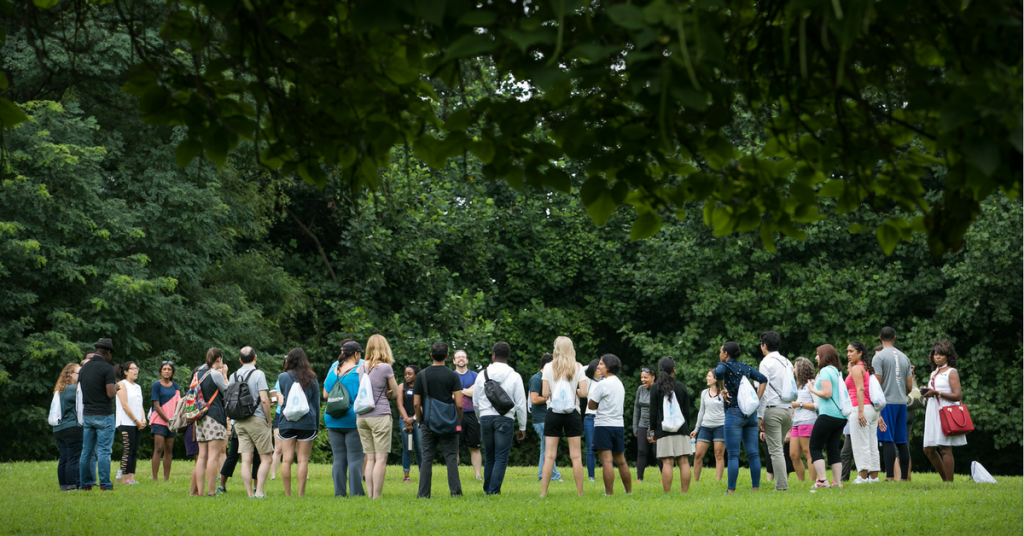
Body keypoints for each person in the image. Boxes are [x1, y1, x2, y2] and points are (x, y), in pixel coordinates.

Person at [473, 341, 528, 495]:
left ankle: (487, 489)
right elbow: (521, 404)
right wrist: (522, 427)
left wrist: (480, 418)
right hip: (505, 418)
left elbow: (475, 402)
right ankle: (493, 491)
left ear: (493, 355)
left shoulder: (481, 375)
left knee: (489, 456)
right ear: (508, 356)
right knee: (501, 457)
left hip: (485, 417)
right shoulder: (515, 376)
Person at [715, 342, 768, 494]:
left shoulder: (723, 366)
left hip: (734, 413)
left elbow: (718, 372)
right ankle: (755, 488)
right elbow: (763, 379)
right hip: (750, 414)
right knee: (753, 453)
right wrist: (756, 400)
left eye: (721, 352)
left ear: (726, 354)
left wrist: (722, 388)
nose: (720, 354)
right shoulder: (745, 367)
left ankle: (731, 490)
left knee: (733, 454)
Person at [540, 336, 589, 497]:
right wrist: (574, 391)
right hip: (572, 412)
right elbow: (584, 393)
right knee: (576, 456)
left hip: (553, 413)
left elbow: (544, 394)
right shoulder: (578, 367)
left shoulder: (548, 367)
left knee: (549, 455)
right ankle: (580, 493)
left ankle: (543, 493)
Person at [414, 341, 464, 498]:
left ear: (431, 355)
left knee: (427, 458)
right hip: (449, 422)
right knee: (451, 458)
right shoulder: (453, 376)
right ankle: (455, 493)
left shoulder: (421, 375)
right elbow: (459, 404)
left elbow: (416, 403)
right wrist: (458, 421)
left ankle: (423, 494)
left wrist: (421, 421)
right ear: (448, 356)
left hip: (428, 422)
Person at [357, 334, 400, 499]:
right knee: (381, 458)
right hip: (380, 414)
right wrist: (389, 393)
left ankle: (369, 495)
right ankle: (377, 496)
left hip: (362, 416)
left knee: (370, 457)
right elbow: (395, 393)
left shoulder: (361, 367)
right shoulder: (385, 368)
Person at [228, 346, 274, 498]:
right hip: (257, 419)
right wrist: (268, 420)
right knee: (266, 458)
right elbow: (264, 399)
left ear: (240, 360)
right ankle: (259, 492)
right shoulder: (259, 373)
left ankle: (249, 494)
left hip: (239, 421)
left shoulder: (233, 375)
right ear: (256, 358)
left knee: (246, 459)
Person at [324, 340, 366, 497]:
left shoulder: (334, 370)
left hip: (332, 419)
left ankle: (339, 494)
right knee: (355, 459)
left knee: (339, 458)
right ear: (356, 354)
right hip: (352, 419)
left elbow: (325, 394)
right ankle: (356, 493)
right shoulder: (359, 372)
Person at [276, 348, 319, 497]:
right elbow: (316, 403)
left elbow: (284, 398)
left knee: (286, 459)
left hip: (287, 421)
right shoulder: (312, 378)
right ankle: (301, 494)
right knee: (303, 460)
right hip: (307, 423)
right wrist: (316, 425)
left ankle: (288, 494)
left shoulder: (283, 377)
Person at [587, 354, 631, 495]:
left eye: (601, 364)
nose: (598, 367)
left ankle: (609, 494)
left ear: (608, 366)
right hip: (618, 425)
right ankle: (628, 492)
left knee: (607, 461)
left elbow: (591, 405)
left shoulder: (602, 384)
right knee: (621, 461)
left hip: (603, 425)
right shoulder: (619, 383)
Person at [922, 339, 966, 482]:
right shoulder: (934, 373)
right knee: (928, 449)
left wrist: (936, 393)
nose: (938, 357)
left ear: (948, 356)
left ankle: (949, 483)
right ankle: (945, 480)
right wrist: (927, 393)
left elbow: (958, 395)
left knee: (945, 448)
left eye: (941, 354)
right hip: (933, 410)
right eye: (935, 354)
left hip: (946, 411)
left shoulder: (951, 372)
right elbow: (933, 392)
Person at [873, 326, 913, 481]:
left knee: (887, 438)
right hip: (902, 403)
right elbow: (909, 386)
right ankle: (904, 477)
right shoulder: (905, 357)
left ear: (880, 339)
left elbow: (877, 384)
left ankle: (889, 477)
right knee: (901, 441)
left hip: (886, 403)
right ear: (894, 338)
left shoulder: (879, 357)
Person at [79, 338, 118, 491]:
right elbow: (110, 393)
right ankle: (105, 484)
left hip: (87, 414)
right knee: (104, 451)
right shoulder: (107, 368)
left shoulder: (84, 368)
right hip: (104, 414)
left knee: (86, 451)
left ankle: (86, 484)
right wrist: (116, 388)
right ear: (108, 352)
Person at [805, 344, 847, 489]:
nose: (816, 357)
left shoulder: (825, 371)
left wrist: (812, 389)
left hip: (828, 414)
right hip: (840, 417)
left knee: (815, 446)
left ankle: (822, 481)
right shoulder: (837, 371)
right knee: (833, 449)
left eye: (818, 354)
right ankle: (837, 483)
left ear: (824, 356)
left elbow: (827, 394)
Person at [756, 331, 793, 492]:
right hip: (787, 410)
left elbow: (762, 390)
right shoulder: (787, 362)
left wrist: (759, 414)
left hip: (772, 409)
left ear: (764, 345)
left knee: (776, 450)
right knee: (779, 450)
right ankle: (782, 483)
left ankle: (781, 486)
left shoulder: (766, 363)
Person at [649, 357, 692, 494]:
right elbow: (686, 412)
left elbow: (653, 412)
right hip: (681, 429)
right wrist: (686, 428)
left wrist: (652, 431)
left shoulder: (655, 388)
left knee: (667, 462)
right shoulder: (681, 387)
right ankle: (684, 493)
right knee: (684, 462)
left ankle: (667, 493)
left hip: (663, 430)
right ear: (673, 369)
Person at [191, 348, 229, 497]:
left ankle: (200, 492)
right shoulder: (216, 374)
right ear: (218, 358)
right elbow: (228, 391)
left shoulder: (197, 374)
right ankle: (212, 492)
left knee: (202, 456)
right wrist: (225, 375)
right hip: (214, 417)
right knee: (214, 456)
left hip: (200, 418)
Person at [846, 341, 880, 484]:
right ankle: (874, 477)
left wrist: (860, 412)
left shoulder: (856, 369)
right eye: (847, 351)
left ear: (860, 353)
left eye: (851, 351)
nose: (848, 354)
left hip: (860, 407)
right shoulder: (866, 368)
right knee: (872, 442)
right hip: (872, 409)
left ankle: (862, 476)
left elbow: (860, 390)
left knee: (860, 443)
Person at [529, 353, 562, 482]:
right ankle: (550, 475)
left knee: (547, 447)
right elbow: (534, 399)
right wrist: (551, 397)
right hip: (541, 419)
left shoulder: (548, 379)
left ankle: (545, 474)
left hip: (547, 418)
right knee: (547, 448)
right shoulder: (537, 379)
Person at [690, 369, 726, 482]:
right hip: (705, 427)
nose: (707, 378)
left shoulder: (724, 392)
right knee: (698, 455)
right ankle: (695, 481)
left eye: (709, 376)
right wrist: (696, 429)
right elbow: (701, 411)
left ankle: (718, 481)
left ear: (716, 379)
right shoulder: (704, 393)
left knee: (719, 455)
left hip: (720, 426)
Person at [114, 361, 145, 485]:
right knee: (127, 450)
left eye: (137, 368)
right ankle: (123, 479)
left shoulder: (138, 387)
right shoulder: (122, 384)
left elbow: (140, 405)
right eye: (133, 368)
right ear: (125, 371)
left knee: (134, 450)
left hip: (137, 423)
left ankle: (131, 478)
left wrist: (143, 420)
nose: (136, 370)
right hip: (126, 423)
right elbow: (125, 406)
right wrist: (136, 421)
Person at [452, 349, 482, 481]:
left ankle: (478, 475)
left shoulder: (475, 375)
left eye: (463, 357)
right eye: (458, 357)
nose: (461, 359)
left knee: (474, 447)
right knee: (455, 447)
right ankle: (455, 476)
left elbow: (477, 393)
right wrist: (469, 390)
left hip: (472, 415)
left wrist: (458, 391)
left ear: (467, 360)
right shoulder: (450, 376)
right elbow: (449, 395)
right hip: (455, 415)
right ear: (454, 361)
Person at [52, 363, 83, 491]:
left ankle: (63, 485)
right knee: (73, 458)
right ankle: (72, 485)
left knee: (64, 458)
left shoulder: (60, 390)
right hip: (72, 427)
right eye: (79, 373)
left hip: (59, 428)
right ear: (70, 374)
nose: (81, 376)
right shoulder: (73, 389)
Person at [149, 361, 180, 482]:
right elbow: (156, 405)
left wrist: (176, 418)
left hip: (172, 421)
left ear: (172, 372)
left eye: (169, 369)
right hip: (159, 420)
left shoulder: (175, 385)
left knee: (169, 448)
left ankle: (166, 478)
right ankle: (155, 478)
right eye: (164, 369)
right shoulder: (156, 385)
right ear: (160, 371)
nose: (167, 371)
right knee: (158, 448)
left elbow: (178, 403)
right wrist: (168, 420)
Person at [789, 357, 818, 482]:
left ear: (801, 369)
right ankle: (802, 482)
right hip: (795, 423)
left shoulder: (811, 384)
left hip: (808, 421)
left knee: (808, 453)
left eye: (795, 367)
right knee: (793, 454)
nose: (793, 370)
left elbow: (817, 405)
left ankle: (812, 481)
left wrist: (799, 404)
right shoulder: (796, 385)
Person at [633, 366, 661, 482]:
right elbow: (637, 408)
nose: (643, 380)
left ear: (653, 378)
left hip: (655, 424)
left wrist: (652, 429)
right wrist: (635, 426)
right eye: (641, 377)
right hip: (642, 423)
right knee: (641, 451)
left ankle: (664, 476)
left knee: (657, 452)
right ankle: (639, 478)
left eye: (646, 377)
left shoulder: (658, 389)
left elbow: (658, 411)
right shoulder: (640, 389)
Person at [397, 364, 422, 483]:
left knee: (420, 448)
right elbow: (399, 404)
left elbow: (422, 405)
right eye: (405, 374)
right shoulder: (402, 386)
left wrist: (414, 418)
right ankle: (406, 475)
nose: (406, 376)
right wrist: (407, 420)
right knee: (408, 448)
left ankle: (423, 474)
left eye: (410, 374)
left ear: (416, 375)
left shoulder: (421, 387)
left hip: (418, 420)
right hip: (405, 420)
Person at [583, 359, 603, 482]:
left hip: (603, 417)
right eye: (597, 368)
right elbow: (580, 370)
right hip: (590, 417)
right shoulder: (588, 381)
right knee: (590, 449)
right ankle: (591, 477)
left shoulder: (606, 381)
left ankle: (608, 473)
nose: (600, 370)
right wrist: (592, 365)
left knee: (606, 448)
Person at [270, 378, 283, 480]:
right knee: (278, 448)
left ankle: (305, 475)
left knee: (298, 447)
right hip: (280, 415)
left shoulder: (301, 378)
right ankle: (273, 476)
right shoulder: (280, 379)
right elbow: (277, 398)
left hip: (297, 415)